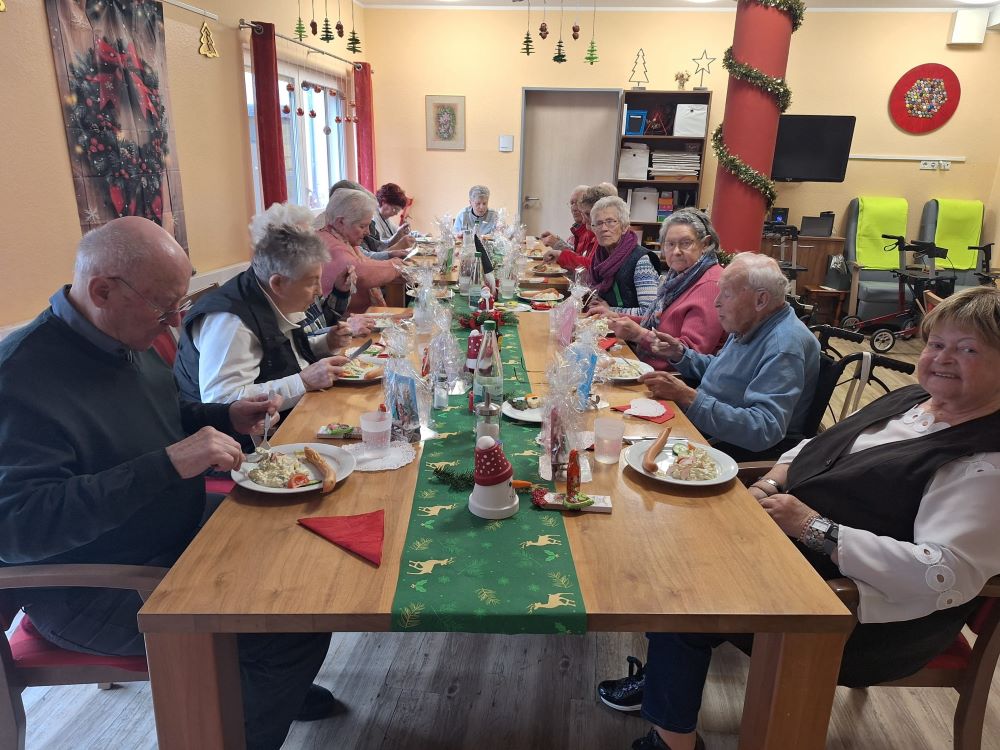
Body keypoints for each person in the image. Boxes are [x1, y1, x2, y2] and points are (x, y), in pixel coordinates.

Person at [600, 286, 1000, 750]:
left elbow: (943, 575)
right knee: (678, 542)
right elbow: (814, 446)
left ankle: (671, 739)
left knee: (687, 590)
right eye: (936, 344)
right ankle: (666, 681)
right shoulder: (913, 401)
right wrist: (770, 484)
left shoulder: (982, 464)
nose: (942, 358)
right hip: (795, 560)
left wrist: (813, 527)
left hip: (857, 617)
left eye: (967, 348)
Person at [0, 217, 337, 750]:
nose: (173, 322)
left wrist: (224, 416)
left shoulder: (119, 335)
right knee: (291, 625)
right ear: (103, 290)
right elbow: (17, 528)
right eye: (164, 308)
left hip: (171, 536)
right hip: (93, 587)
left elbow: (161, 413)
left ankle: (273, 683)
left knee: (298, 555)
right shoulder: (22, 377)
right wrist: (168, 464)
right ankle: (260, 693)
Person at [174, 203, 355, 415]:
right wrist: (303, 382)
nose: (319, 291)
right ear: (277, 283)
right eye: (311, 282)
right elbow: (221, 400)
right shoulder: (230, 322)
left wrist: (325, 343)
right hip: (244, 440)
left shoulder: (270, 293)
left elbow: (281, 356)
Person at [638, 252, 819, 460]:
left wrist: (688, 397)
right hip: (699, 429)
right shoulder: (751, 322)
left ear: (761, 299)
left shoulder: (784, 345)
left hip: (723, 448)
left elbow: (765, 429)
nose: (716, 302)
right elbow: (724, 370)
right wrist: (681, 354)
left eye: (727, 294)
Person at [607, 208, 726, 369]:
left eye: (686, 243)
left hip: (675, 380)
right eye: (670, 244)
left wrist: (639, 335)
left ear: (704, 244)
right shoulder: (679, 277)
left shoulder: (711, 284)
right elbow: (659, 322)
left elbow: (690, 353)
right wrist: (614, 316)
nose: (676, 251)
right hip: (649, 366)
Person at [319, 187, 404, 314]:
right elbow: (361, 272)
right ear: (340, 222)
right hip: (343, 323)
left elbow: (366, 260)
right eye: (362, 226)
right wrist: (397, 265)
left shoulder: (341, 238)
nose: (368, 232)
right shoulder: (330, 244)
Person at [583, 195, 660, 317]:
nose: (603, 228)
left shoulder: (640, 261)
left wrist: (611, 310)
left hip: (631, 333)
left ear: (624, 227)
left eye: (610, 222)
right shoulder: (599, 258)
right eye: (598, 223)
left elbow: (651, 313)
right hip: (606, 327)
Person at [328, 180, 414, 259]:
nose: (368, 232)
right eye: (362, 226)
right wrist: (395, 249)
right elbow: (365, 260)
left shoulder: (352, 226)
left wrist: (398, 237)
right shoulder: (333, 235)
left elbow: (376, 246)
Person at [542, 184, 617, 272]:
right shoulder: (585, 230)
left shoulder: (602, 234)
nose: (574, 208)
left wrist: (559, 249)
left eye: (577, 203)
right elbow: (581, 258)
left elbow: (591, 269)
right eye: (572, 203)